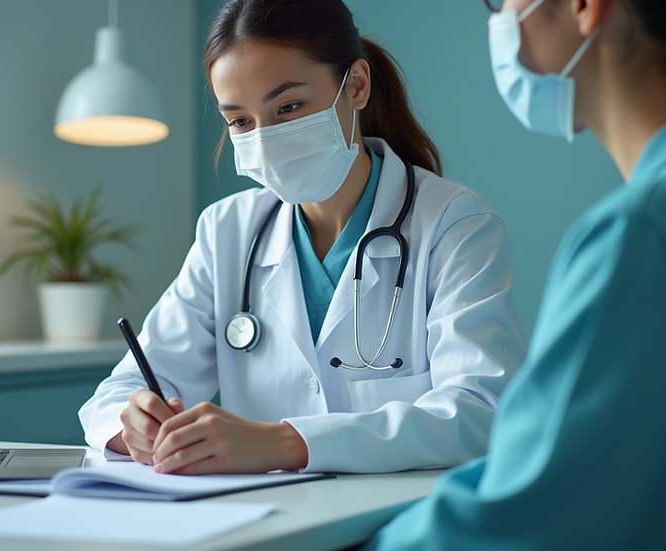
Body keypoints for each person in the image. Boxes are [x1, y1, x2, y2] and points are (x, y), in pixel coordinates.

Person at [79, 0, 528, 475]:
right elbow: (119, 392)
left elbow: (480, 411)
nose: (266, 138)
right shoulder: (226, 231)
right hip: (263, 521)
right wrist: (133, 422)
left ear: (355, 85)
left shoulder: (454, 223)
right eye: (240, 121)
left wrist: (286, 442)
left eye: (289, 106)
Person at [365, 0, 666, 548]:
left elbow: (531, 525)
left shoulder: (651, 236)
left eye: (502, 3)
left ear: (584, 8)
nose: (499, 21)